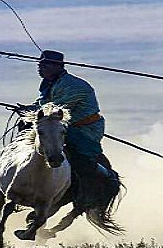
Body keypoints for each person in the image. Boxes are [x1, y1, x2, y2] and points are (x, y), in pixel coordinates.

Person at [21, 50, 119, 211]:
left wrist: (31, 112)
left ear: (57, 66)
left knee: (79, 156)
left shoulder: (73, 86)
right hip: (63, 125)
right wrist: (27, 109)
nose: (40, 68)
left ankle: (106, 174)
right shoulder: (49, 83)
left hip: (84, 129)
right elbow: (42, 102)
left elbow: (54, 108)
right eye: (39, 65)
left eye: (44, 65)